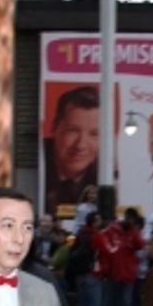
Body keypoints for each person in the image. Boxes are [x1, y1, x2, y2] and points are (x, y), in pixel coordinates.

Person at [43, 86, 99, 218]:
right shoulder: (40, 162)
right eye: (72, 130)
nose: (80, 145)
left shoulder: (105, 176)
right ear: (54, 128)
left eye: (94, 134)